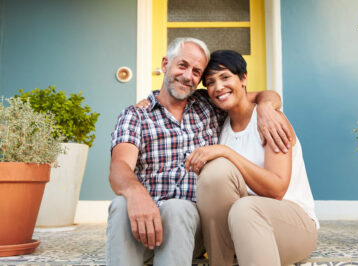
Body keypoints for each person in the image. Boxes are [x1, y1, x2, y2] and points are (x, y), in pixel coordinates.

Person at [106, 38, 290, 266]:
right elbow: (119, 167)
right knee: (120, 205)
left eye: (196, 72)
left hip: (191, 224)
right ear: (165, 64)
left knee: (176, 208)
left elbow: (261, 94)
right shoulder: (135, 115)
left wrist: (266, 107)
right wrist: (137, 195)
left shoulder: (209, 105)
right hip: (144, 219)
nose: (188, 76)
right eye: (182, 66)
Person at [186, 50, 319, 266]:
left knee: (244, 207)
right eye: (210, 82)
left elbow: (277, 189)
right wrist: (147, 102)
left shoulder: (270, 121)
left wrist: (227, 151)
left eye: (225, 77)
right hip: (241, 228)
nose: (218, 87)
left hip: (293, 224)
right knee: (215, 173)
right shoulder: (221, 124)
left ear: (244, 78)